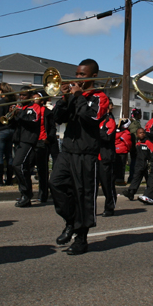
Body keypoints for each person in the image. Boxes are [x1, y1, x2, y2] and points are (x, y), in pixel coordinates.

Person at [49, 59, 109, 255]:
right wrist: (65, 99)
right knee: (56, 184)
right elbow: (58, 118)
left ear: (93, 76)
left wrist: (78, 96)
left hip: (86, 153)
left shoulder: (100, 97)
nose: (77, 77)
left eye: (82, 74)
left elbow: (91, 117)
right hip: (67, 150)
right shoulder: (73, 96)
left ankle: (81, 239)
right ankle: (70, 222)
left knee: (83, 195)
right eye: (77, 74)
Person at [0, 82, 17, 186]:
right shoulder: (13, 102)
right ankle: (9, 179)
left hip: (1, 130)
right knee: (9, 156)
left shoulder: (1, 102)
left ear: (1, 91)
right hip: (11, 130)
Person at [32, 91, 56, 203]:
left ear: (42, 101)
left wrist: (48, 139)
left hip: (42, 142)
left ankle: (43, 194)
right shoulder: (29, 110)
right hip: (30, 142)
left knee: (42, 170)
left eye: (36, 98)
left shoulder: (47, 112)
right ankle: (26, 193)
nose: (33, 100)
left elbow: (52, 127)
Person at [97, 99, 118, 217]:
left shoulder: (110, 120)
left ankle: (110, 208)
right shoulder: (95, 120)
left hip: (105, 157)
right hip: (94, 157)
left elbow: (107, 137)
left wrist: (95, 131)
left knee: (107, 185)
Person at [124, 127, 152, 201]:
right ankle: (131, 193)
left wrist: (151, 163)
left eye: (143, 133)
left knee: (149, 180)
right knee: (136, 179)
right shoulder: (137, 143)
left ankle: (149, 194)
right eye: (140, 133)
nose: (142, 134)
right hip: (139, 164)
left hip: (147, 164)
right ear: (137, 135)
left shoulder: (148, 142)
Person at [114, 117, 133, 188]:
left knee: (115, 166)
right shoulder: (126, 133)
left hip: (115, 150)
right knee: (121, 166)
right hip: (123, 151)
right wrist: (129, 149)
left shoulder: (116, 131)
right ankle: (120, 180)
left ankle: (115, 179)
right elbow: (128, 143)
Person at [126, 108, 143, 184]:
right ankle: (132, 178)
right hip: (134, 147)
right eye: (140, 114)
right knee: (134, 163)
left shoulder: (135, 122)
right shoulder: (134, 124)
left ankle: (133, 178)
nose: (141, 116)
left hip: (133, 146)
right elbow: (135, 135)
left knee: (135, 162)